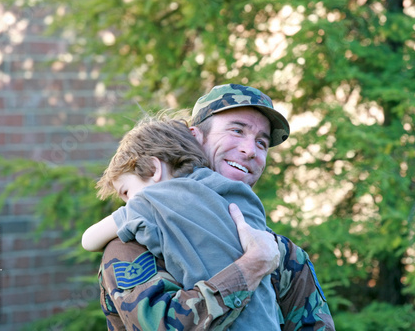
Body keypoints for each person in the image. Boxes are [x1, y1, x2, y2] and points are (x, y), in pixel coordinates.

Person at [99, 84, 335, 330]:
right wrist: (250, 268)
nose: (250, 150)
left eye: (262, 143)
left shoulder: (283, 255)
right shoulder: (135, 241)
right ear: (195, 137)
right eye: (236, 130)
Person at [82, 115, 280, 330]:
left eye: (127, 192)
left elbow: (88, 240)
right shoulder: (238, 195)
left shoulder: (155, 201)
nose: (128, 203)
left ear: (153, 170)